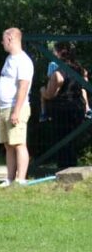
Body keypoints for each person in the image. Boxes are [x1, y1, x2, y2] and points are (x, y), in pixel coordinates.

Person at [0, 27, 34, 186]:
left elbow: (23, 86)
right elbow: (5, 80)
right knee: (8, 144)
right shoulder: (9, 59)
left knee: (18, 143)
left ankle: (21, 179)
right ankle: (9, 178)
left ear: (10, 38)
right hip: (4, 108)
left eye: (3, 39)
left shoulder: (23, 61)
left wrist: (16, 111)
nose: (2, 42)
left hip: (16, 108)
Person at [40, 41, 89, 171]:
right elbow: (84, 85)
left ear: (61, 53)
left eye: (55, 51)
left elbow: (50, 94)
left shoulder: (58, 73)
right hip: (78, 108)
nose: (53, 54)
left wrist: (42, 91)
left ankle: (64, 169)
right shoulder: (81, 70)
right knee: (72, 140)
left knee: (62, 140)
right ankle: (72, 167)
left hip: (62, 110)